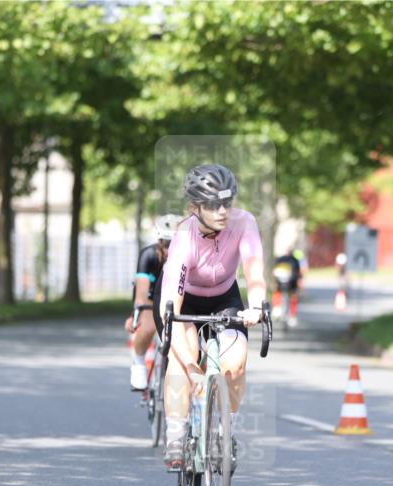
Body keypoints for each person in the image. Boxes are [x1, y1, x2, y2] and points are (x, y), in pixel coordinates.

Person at [154, 164, 268, 468]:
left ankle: (224, 430)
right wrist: (193, 369)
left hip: (224, 296)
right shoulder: (183, 235)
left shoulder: (244, 223)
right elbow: (172, 300)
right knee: (183, 359)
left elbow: (254, 271)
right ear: (194, 207)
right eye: (213, 205)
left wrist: (256, 306)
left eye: (227, 203)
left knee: (236, 360)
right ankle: (177, 435)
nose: (222, 211)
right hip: (184, 300)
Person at [126, 215, 181, 391]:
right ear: (159, 241)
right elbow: (141, 293)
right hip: (151, 296)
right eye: (166, 244)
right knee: (148, 326)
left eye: (174, 244)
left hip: (175, 296)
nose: (169, 249)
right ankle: (139, 361)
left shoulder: (187, 255)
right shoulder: (149, 255)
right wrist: (137, 314)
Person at [271, 248, 302, 327]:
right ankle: (278, 310)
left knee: (293, 297)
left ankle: (291, 315)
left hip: (290, 283)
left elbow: (298, 273)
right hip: (285, 283)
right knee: (278, 293)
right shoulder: (284, 260)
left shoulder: (292, 260)